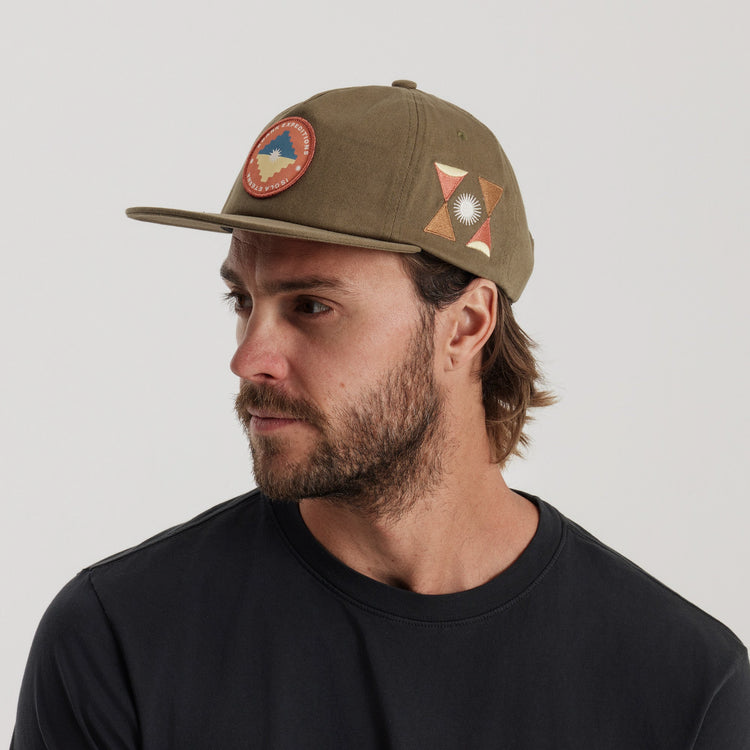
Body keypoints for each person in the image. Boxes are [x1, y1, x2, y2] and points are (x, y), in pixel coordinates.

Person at [11, 80, 750, 749]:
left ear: (465, 325)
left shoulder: (682, 687)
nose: (249, 358)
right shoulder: (121, 642)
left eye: (312, 306)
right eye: (243, 300)